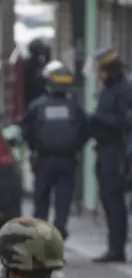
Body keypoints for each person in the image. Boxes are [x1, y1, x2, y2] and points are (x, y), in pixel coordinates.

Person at [19, 61, 88, 240]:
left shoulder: (37, 106)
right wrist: (75, 147)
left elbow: (26, 131)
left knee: (41, 197)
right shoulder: (74, 107)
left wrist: (35, 147)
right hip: (68, 159)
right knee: (63, 200)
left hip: (44, 159)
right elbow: (85, 131)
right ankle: (59, 230)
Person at [88, 47, 132, 262]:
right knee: (108, 200)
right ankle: (114, 246)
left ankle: (117, 249)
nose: (98, 75)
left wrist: (97, 119)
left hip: (117, 152)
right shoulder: (109, 89)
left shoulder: (123, 90)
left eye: (101, 70)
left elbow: (123, 121)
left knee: (114, 202)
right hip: (106, 149)